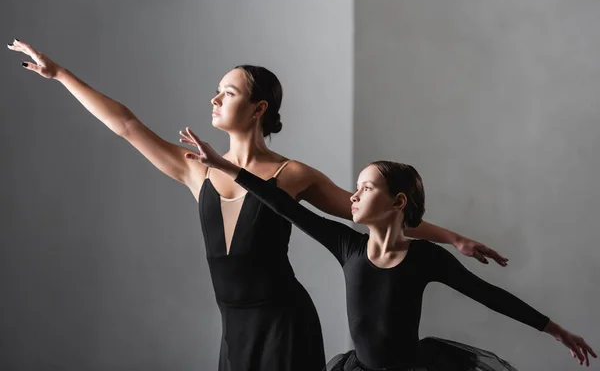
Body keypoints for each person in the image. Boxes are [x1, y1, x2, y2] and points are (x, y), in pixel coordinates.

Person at [8, 39, 508, 371]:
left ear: (258, 107)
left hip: (283, 323)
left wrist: (451, 238)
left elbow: (375, 219)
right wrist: (61, 75)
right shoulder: (195, 167)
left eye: (227, 92)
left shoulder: (292, 175)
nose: (214, 99)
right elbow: (126, 124)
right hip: (234, 327)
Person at [182, 133, 597, 370]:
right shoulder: (347, 245)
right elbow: (284, 205)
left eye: (366, 188)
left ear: (397, 203)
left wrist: (555, 329)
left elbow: (490, 296)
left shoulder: (425, 258)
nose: (355, 195)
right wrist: (226, 167)